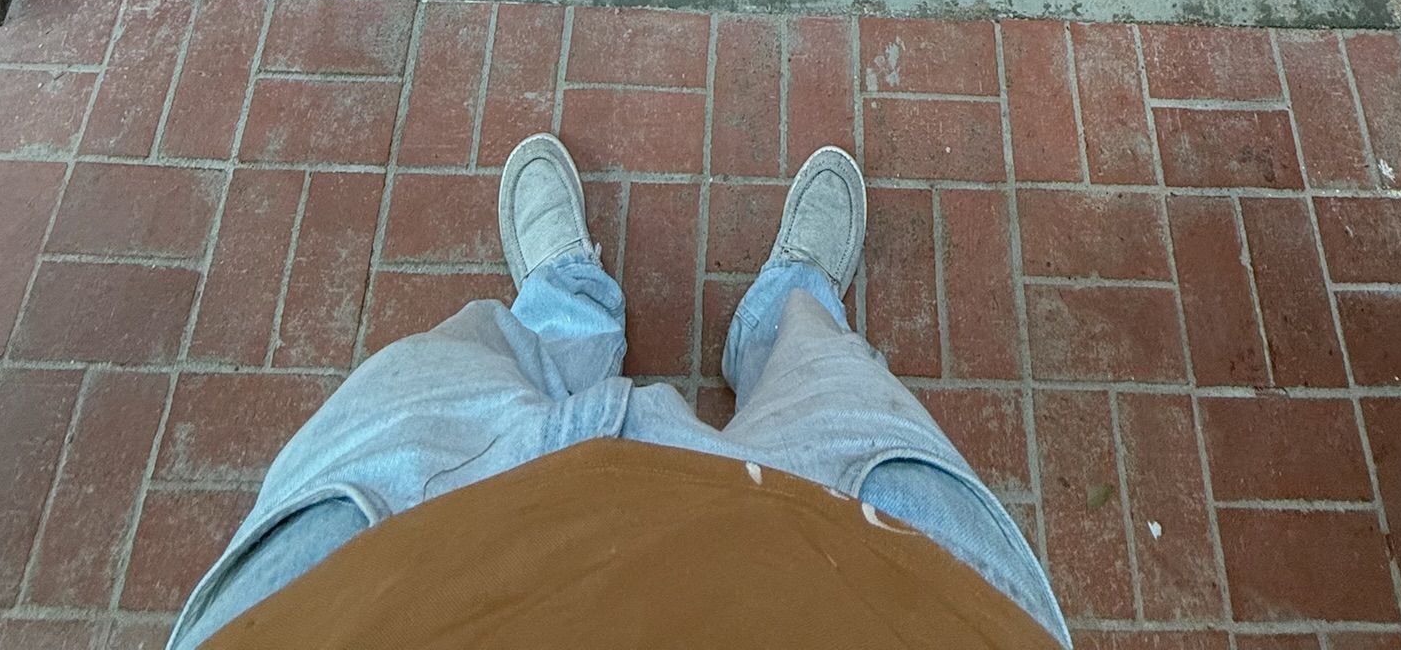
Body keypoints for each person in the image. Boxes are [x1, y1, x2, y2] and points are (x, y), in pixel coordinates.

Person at [171, 139, 1070, 648]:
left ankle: (566, 316)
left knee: (436, 376)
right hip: (873, 593)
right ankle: (791, 317)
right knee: (846, 400)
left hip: (384, 584)